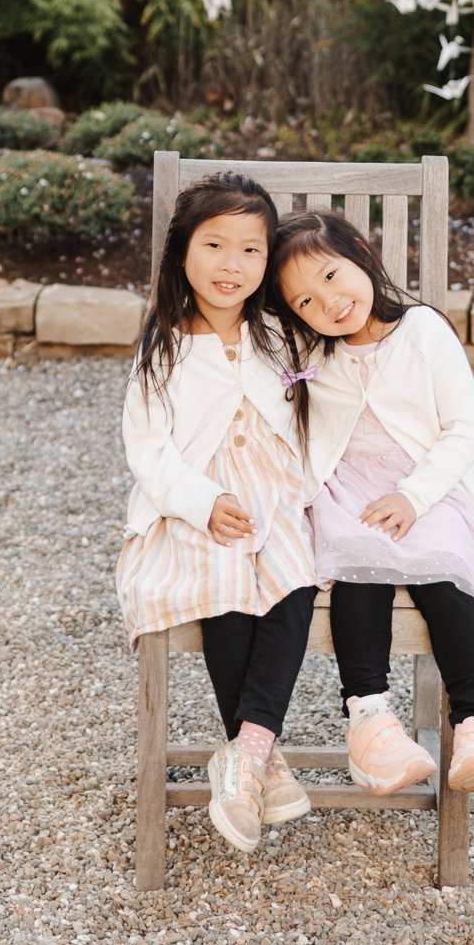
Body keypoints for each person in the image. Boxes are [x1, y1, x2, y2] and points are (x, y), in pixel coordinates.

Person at [268, 205, 474, 797]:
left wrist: (414, 494)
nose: (326, 304)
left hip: (428, 486)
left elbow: (463, 429)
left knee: (444, 578)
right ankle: (371, 722)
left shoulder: (424, 329)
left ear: (358, 249)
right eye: (303, 301)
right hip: (347, 489)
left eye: (329, 276)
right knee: (359, 571)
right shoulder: (309, 353)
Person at [117, 174, 317, 854]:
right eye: (214, 245)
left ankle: (246, 751)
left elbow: (319, 415)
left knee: (291, 572)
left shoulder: (278, 337)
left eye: (250, 251)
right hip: (198, 506)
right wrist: (201, 503)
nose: (231, 265)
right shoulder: (165, 347)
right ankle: (261, 754)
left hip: (276, 496)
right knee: (224, 579)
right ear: (181, 253)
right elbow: (147, 448)